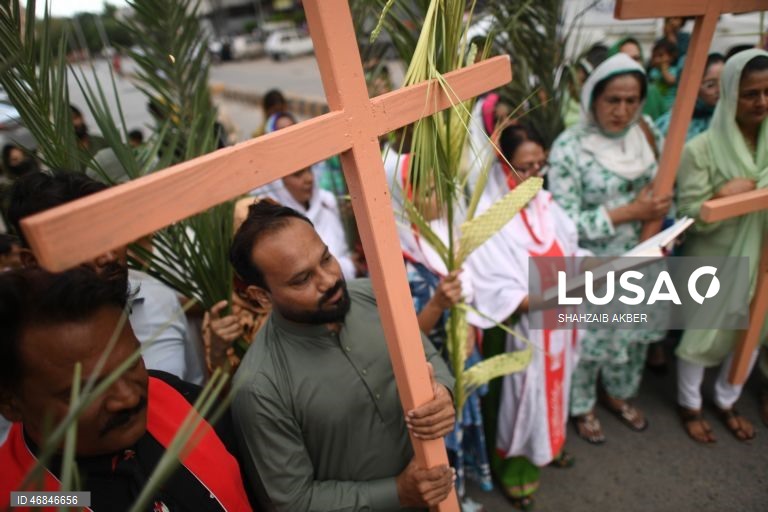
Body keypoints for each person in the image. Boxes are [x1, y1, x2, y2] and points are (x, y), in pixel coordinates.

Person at [229, 201, 457, 511]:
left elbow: (426, 355)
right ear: (260, 296)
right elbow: (292, 502)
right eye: (302, 279)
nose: (329, 280)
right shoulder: (259, 387)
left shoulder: (372, 295)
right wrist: (398, 493)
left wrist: (443, 392)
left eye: (326, 258)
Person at [0, 267, 253, 511]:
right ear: (10, 403)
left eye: (132, 364)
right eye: (87, 389)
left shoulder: (178, 397)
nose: (129, 398)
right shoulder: (20, 497)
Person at [548, 53, 672, 444]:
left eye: (631, 100)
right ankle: (582, 405)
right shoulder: (570, 148)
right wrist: (627, 212)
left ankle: (619, 395)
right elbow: (564, 224)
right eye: (612, 100)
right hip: (595, 267)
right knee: (589, 342)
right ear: (592, 99)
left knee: (632, 338)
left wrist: (665, 230)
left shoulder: (648, 132)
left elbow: (667, 192)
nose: (622, 111)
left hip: (645, 257)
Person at [467, 124, 584, 510]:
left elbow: (572, 249)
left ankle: (548, 446)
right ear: (501, 166)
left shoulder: (546, 204)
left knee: (554, 387)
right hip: (517, 332)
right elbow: (495, 290)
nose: (534, 175)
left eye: (540, 165)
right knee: (517, 402)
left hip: (557, 322)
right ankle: (513, 468)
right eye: (523, 167)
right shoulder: (487, 218)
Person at [7, 170, 203, 384]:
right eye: (85, 244)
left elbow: (193, 392)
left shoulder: (161, 302)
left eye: (110, 235)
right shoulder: (15, 341)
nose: (108, 256)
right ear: (32, 262)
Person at [382, 135, 492, 510]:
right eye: (426, 190)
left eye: (440, 188)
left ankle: (460, 493)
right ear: (403, 196)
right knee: (440, 442)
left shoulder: (446, 234)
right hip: (434, 370)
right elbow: (405, 338)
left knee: (462, 427)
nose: (439, 199)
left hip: (462, 356)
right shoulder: (397, 260)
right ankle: (448, 500)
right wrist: (438, 303)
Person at [674, 49, 768, 444]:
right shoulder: (701, 150)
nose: (761, 102)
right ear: (730, 93)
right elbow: (687, 214)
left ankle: (728, 399)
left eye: (767, 92)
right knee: (703, 333)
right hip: (713, 257)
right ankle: (690, 405)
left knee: (752, 329)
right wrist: (720, 196)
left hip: (761, 255)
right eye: (750, 94)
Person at [256, 112, 359, 280]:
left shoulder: (328, 203)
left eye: (309, 170)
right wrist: (347, 267)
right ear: (278, 183)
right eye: (298, 175)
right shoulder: (276, 226)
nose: (309, 179)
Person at [656, 53, 725, 140]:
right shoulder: (671, 126)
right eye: (710, 85)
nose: (720, 90)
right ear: (690, 87)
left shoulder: (733, 120)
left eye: (724, 82)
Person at [609, 36, 667, 120]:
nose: (632, 63)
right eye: (626, 59)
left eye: (636, 58)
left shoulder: (652, 93)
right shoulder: (604, 96)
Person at [648, 39, 682, 114]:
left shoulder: (674, 71)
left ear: (672, 57)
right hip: (657, 105)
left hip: (669, 106)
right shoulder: (654, 72)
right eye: (654, 56)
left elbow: (670, 81)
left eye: (661, 55)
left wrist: (664, 70)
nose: (657, 59)